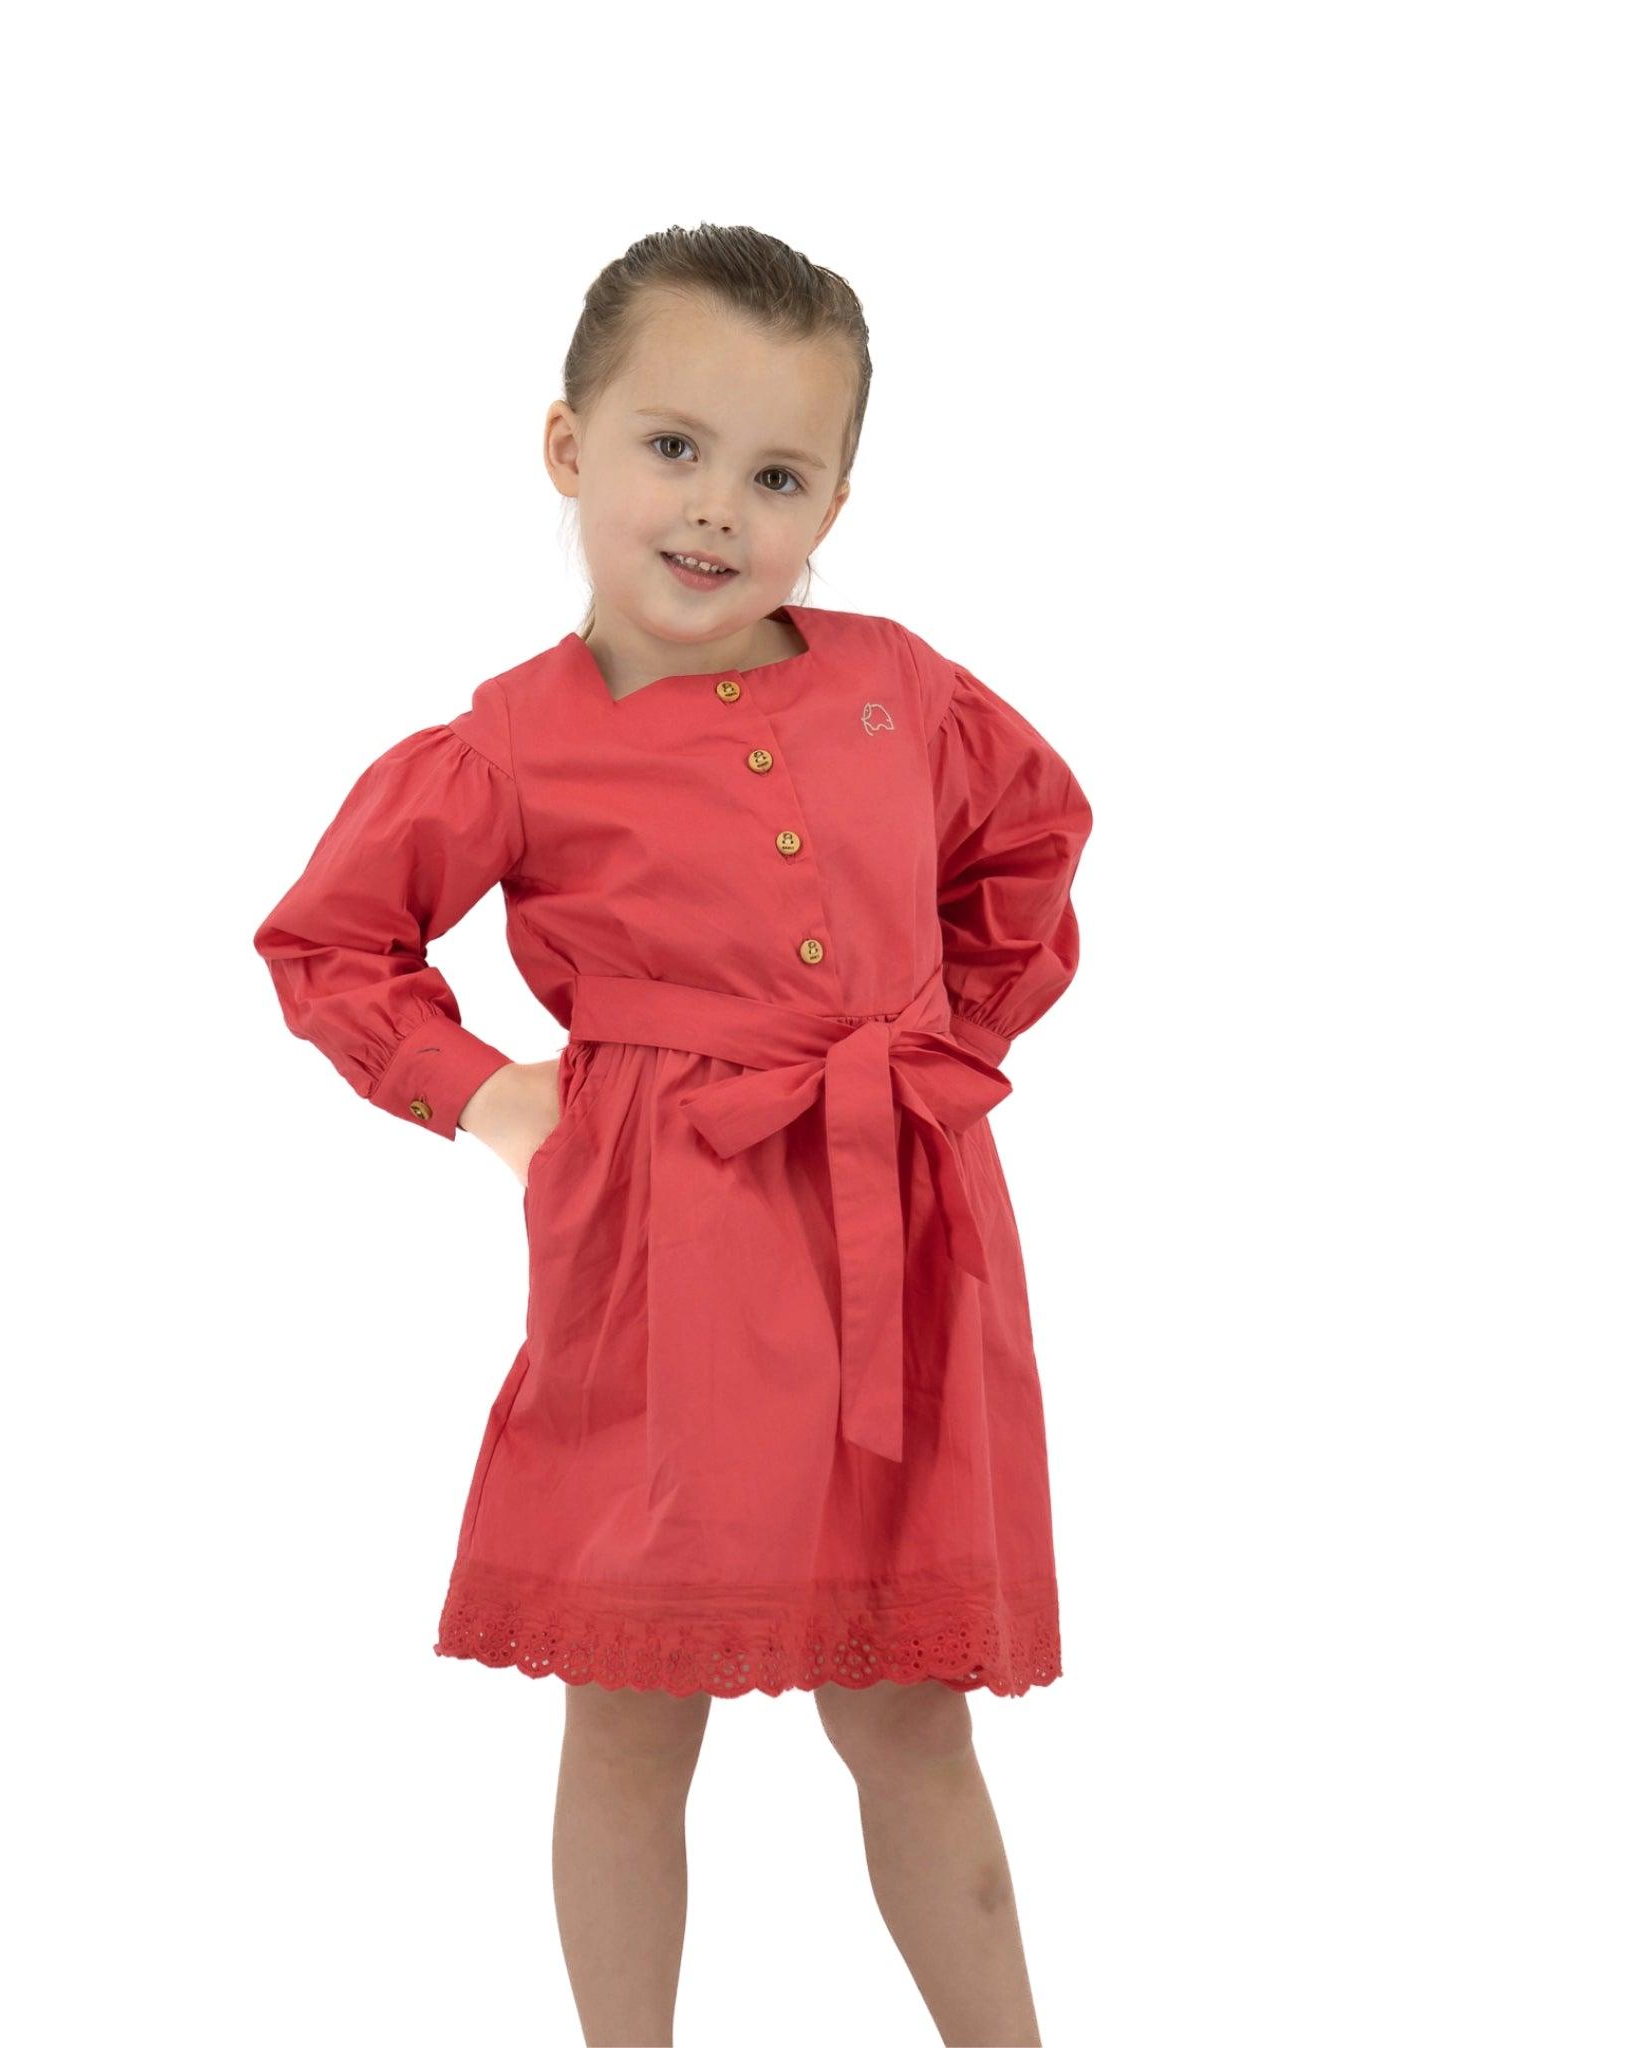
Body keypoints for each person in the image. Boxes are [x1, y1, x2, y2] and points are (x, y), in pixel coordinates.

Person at [252, 222, 1092, 2046]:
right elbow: (329, 942)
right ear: (571, 448)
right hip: (664, 1266)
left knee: (908, 1708)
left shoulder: (902, 689)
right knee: (633, 1706)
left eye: (777, 473)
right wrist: (487, 1093)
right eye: (672, 448)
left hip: (904, 1256)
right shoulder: (510, 747)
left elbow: (1035, 839)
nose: (716, 509)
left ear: (836, 504)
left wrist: (943, 1041)